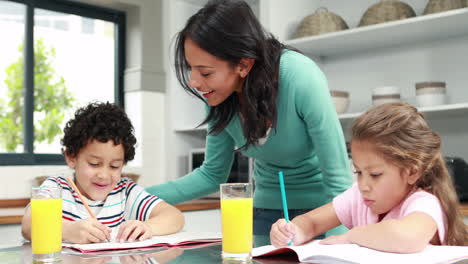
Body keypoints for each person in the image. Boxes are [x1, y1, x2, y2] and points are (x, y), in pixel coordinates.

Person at [146, 0, 352, 242]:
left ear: (243, 64)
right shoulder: (218, 97)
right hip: (266, 213)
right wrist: (135, 197)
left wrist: (337, 245)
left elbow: (339, 182)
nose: (194, 82)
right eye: (191, 69)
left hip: (321, 214)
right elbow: (212, 175)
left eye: (205, 72)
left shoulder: (300, 77)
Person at [270, 103, 468, 253]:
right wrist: (292, 231)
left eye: (375, 175)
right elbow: (311, 222)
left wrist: (352, 236)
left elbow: (407, 237)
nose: (363, 185)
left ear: (412, 172)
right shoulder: (360, 197)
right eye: (358, 172)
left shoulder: (424, 203)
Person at [22, 102, 184, 244]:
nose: (104, 175)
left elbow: (174, 216)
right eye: (94, 164)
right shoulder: (57, 188)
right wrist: (68, 230)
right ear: (72, 157)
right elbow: (28, 225)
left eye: (114, 166)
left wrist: (147, 227)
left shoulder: (125, 192)